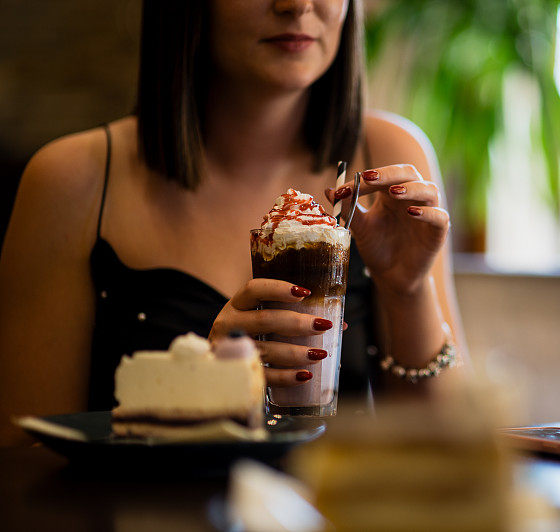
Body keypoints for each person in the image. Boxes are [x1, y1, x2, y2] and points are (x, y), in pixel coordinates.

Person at [0, 0, 464, 445]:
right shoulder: (72, 181)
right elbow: (25, 464)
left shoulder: (386, 158)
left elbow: (453, 450)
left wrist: (408, 292)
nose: (297, 4)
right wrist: (194, 390)